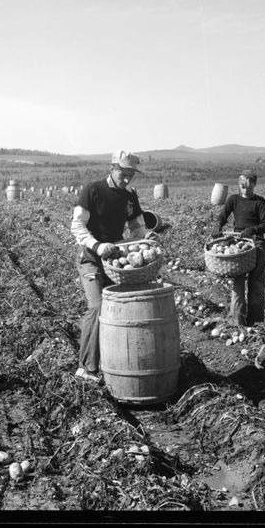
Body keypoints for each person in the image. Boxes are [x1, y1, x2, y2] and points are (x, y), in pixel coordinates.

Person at [70, 150, 160, 383]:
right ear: (112, 168)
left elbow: (136, 227)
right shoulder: (93, 190)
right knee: (98, 305)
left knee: (118, 307)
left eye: (131, 175)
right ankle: (86, 368)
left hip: (115, 260)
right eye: (123, 173)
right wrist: (98, 246)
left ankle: (112, 361)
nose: (127, 179)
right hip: (90, 258)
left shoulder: (130, 196)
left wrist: (144, 239)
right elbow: (77, 226)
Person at [211, 170, 265, 328]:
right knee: (238, 280)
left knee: (256, 282)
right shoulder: (234, 199)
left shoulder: (260, 202)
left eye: (248, 185)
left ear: (254, 185)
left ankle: (255, 320)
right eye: (242, 185)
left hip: (256, 243)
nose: (245, 188)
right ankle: (237, 319)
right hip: (238, 243)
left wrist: (253, 229)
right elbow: (222, 216)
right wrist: (218, 226)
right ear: (239, 185)